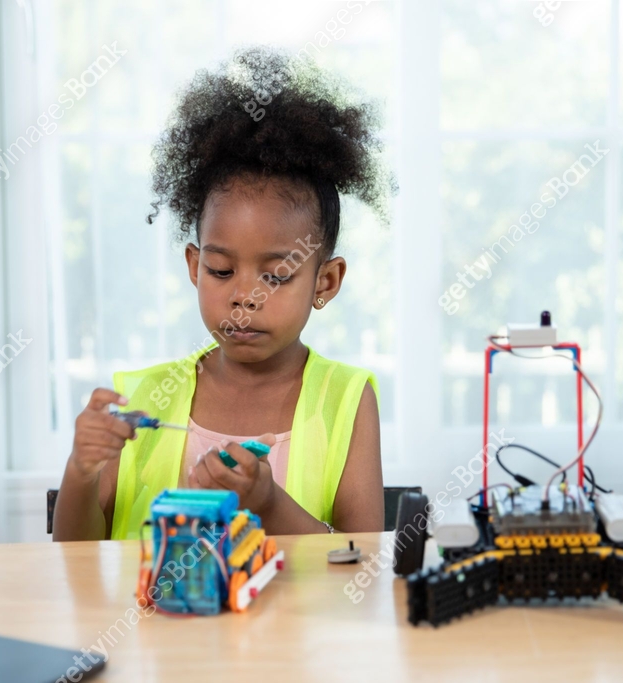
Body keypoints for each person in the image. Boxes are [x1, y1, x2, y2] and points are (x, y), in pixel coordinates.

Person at [54, 47, 395, 541]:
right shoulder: (145, 399)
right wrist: (80, 471)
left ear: (326, 282)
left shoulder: (345, 401)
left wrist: (269, 505)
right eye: (220, 270)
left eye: (276, 275)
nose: (245, 298)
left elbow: (359, 566)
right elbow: (74, 557)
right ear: (194, 267)